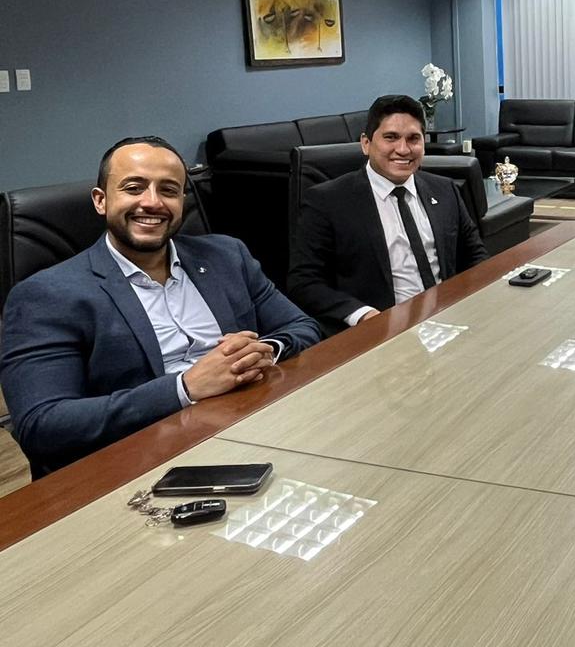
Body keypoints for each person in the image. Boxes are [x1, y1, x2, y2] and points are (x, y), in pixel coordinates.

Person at [0, 136, 322, 478]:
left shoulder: (227, 256)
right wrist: (184, 388)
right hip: (139, 464)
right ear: (101, 200)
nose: (152, 202)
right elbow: (43, 425)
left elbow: (303, 327)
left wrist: (263, 351)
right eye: (134, 188)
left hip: (254, 426)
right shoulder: (46, 294)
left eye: (168, 190)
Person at [288, 94, 487, 336]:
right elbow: (304, 282)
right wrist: (362, 315)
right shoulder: (327, 201)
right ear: (366, 143)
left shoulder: (445, 190)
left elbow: (475, 255)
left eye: (413, 139)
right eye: (391, 137)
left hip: (447, 321)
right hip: (378, 330)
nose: (403, 150)